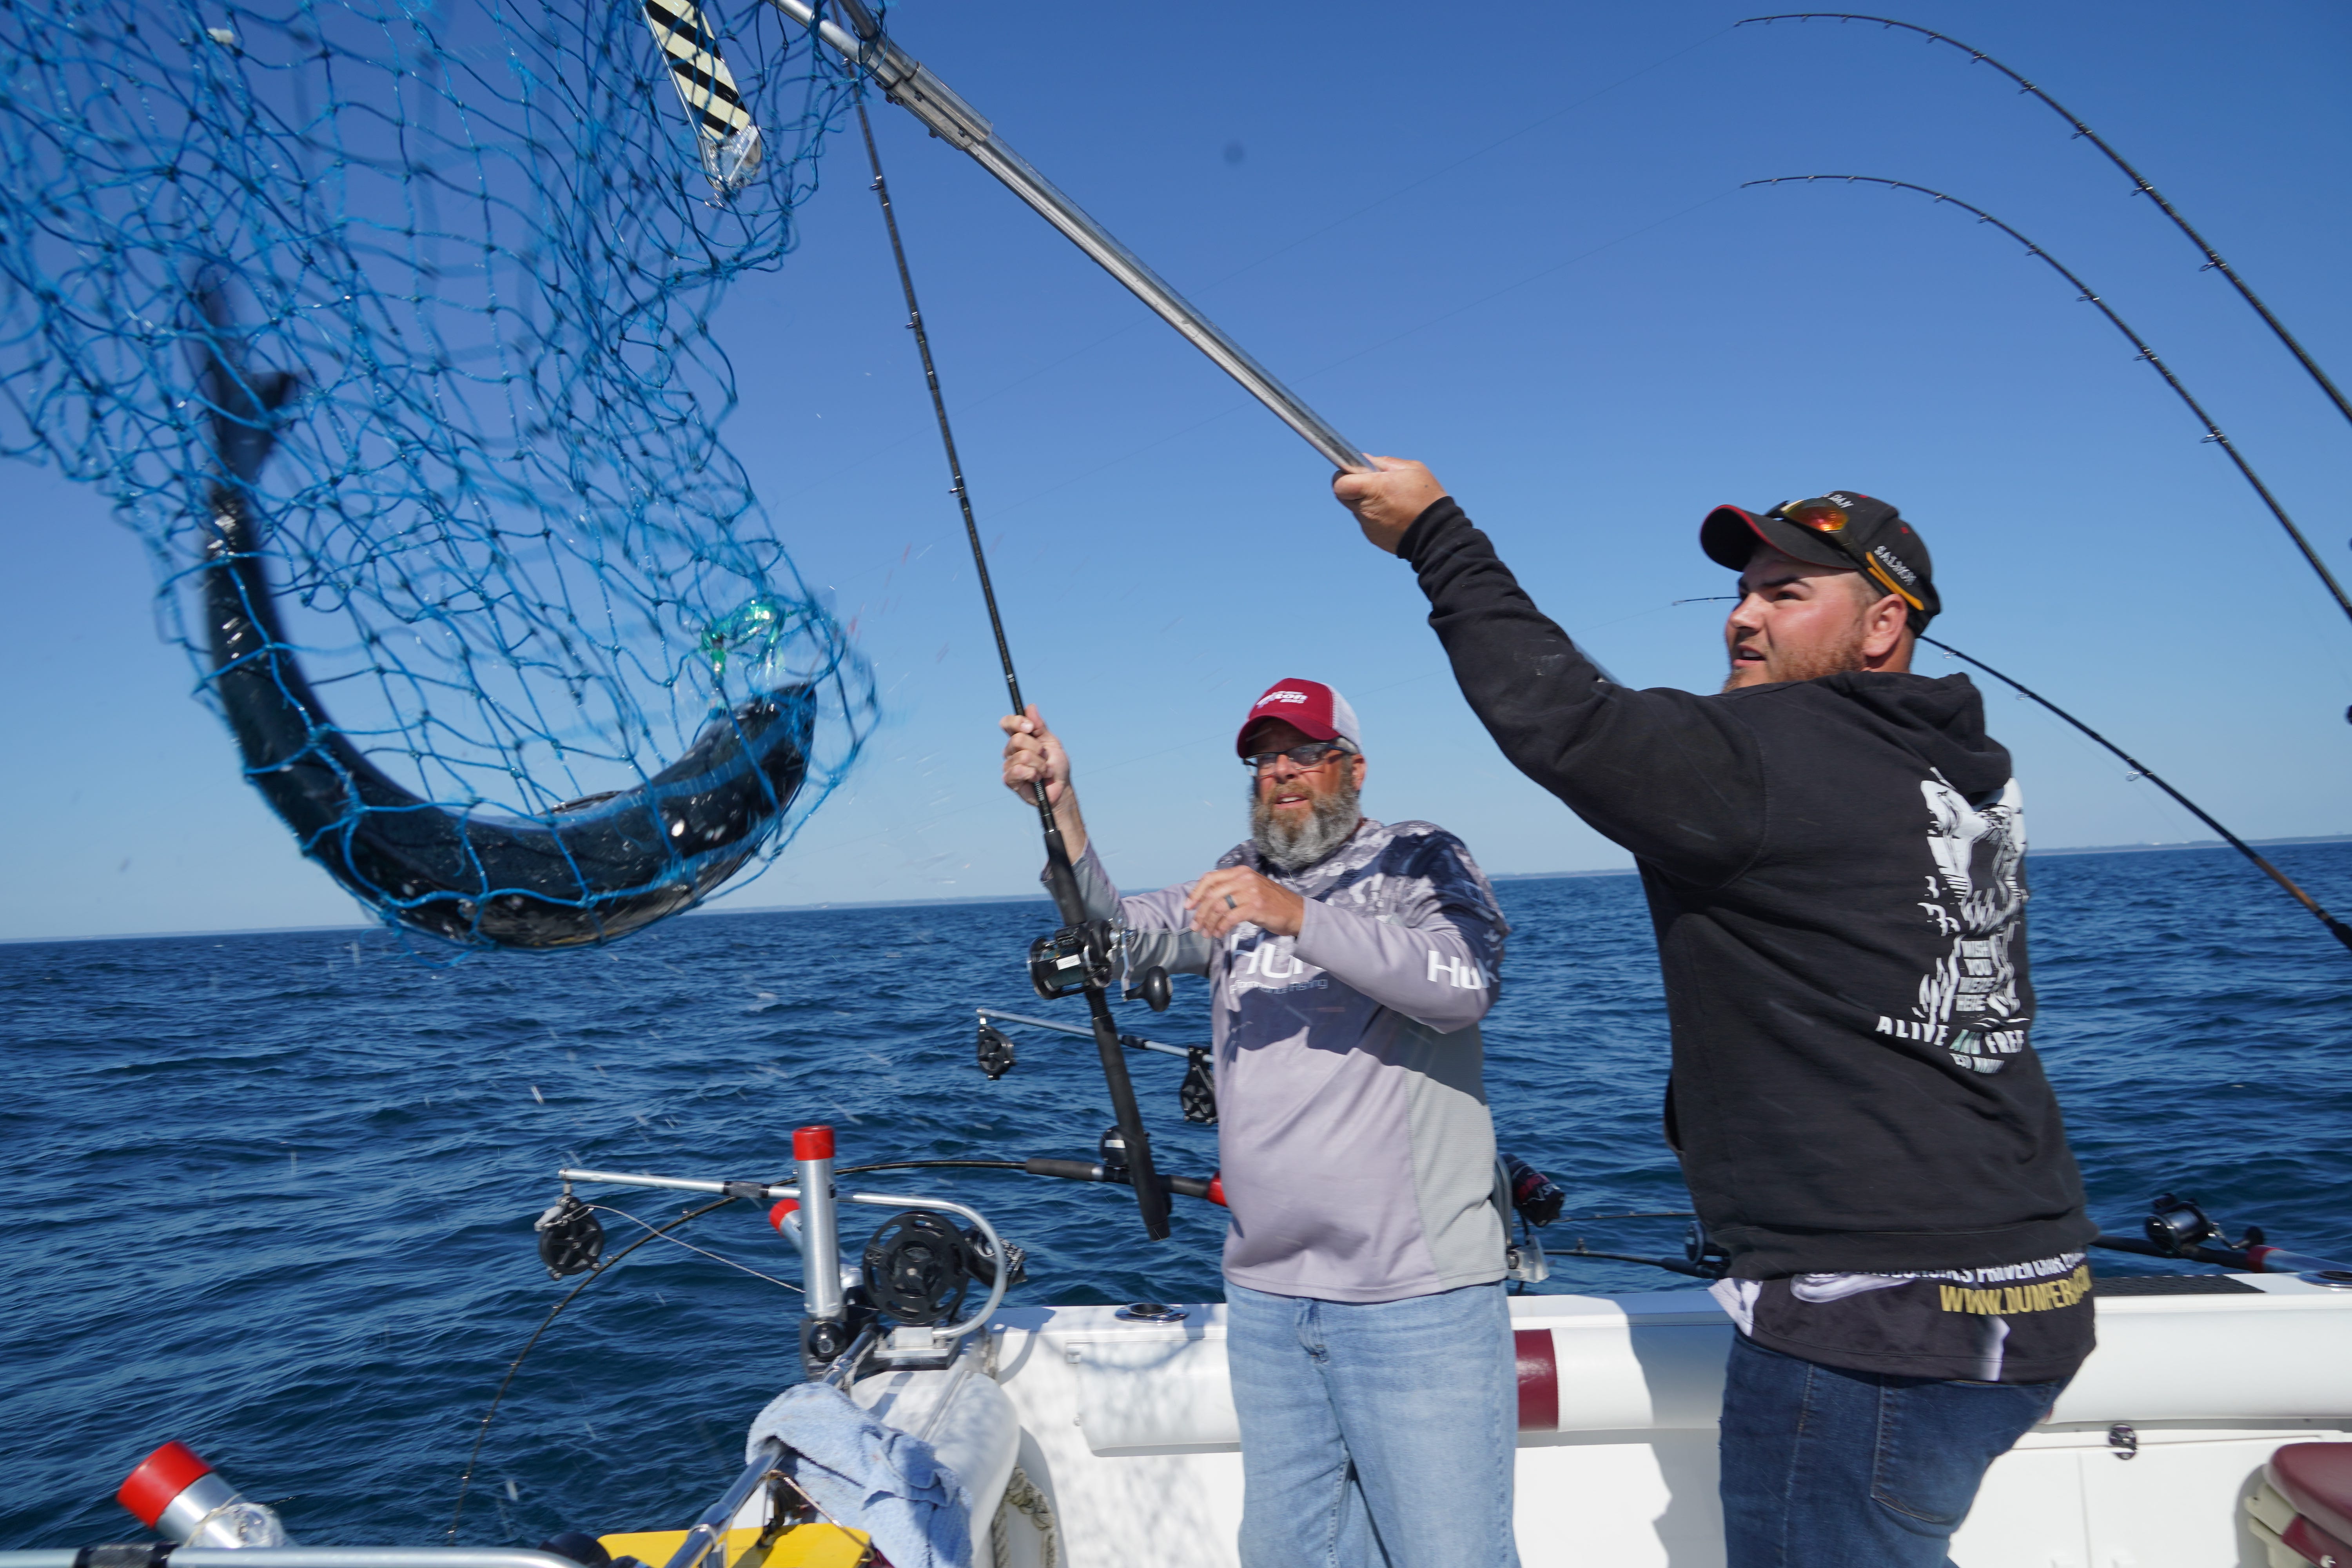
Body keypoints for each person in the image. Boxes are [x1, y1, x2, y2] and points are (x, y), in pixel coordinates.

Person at [1331, 465, 2096, 1567]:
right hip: (2033, 1289)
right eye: (1745, 591)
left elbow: (1570, 723)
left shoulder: (1776, 755)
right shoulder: (1959, 769)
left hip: (1878, 1318)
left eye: (1789, 594)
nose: (1744, 615)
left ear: (1885, 626)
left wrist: (1437, 541)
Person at [1000, 680, 1520, 1568]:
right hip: (1269, 1301)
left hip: (1415, 1302)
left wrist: (1301, 917)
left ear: (1351, 767)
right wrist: (1061, 808)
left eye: (1304, 751)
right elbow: (1118, 933)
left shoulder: (1419, 858)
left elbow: (1464, 983)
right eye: (1264, 756)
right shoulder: (1236, 877)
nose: (1281, 771)